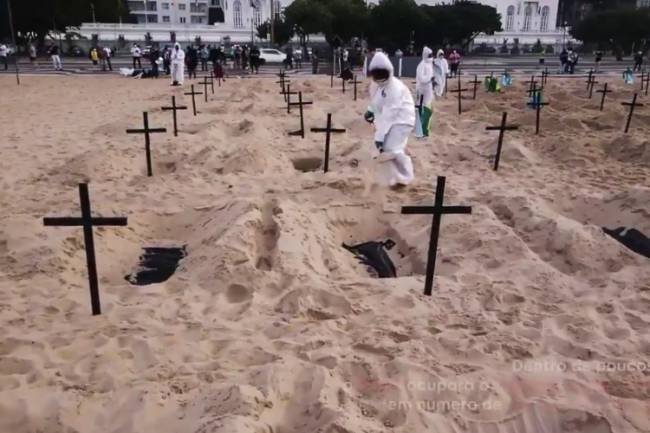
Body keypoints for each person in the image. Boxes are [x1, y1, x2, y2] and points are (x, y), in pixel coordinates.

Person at [364, 52, 415, 188]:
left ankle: (406, 176)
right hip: (394, 120)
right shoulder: (384, 86)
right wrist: (371, 110)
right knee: (386, 150)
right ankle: (395, 177)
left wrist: (379, 136)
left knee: (391, 149)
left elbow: (389, 115)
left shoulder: (395, 88)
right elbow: (379, 100)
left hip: (403, 120)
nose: (379, 80)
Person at [414, 46, 434, 138]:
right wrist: (430, 79)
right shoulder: (422, 65)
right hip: (423, 90)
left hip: (427, 89)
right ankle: (423, 130)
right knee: (425, 110)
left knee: (426, 109)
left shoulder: (428, 64)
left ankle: (423, 130)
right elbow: (422, 79)